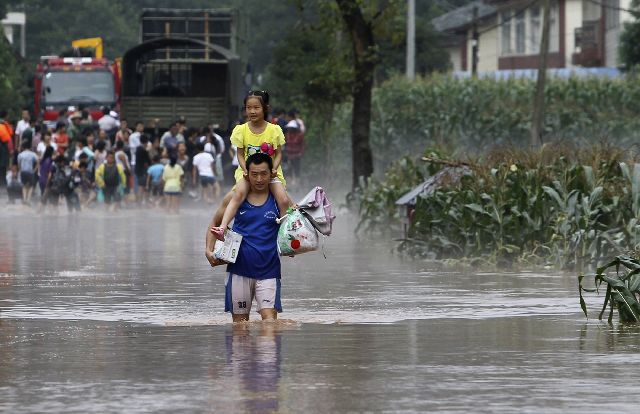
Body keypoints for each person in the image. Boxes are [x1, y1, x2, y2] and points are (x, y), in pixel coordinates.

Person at [205, 152, 286, 322]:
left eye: (264, 174)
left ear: (271, 173)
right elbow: (215, 221)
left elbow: (295, 222)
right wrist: (208, 250)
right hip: (239, 271)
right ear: (246, 174)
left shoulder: (279, 199)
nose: (259, 179)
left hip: (269, 270)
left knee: (270, 324)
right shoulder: (234, 198)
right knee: (240, 328)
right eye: (254, 174)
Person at [211, 90, 292, 241]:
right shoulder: (241, 130)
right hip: (248, 172)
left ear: (265, 108)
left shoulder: (274, 130)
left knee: (283, 200)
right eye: (249, 108)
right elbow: (240, 154)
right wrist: (245, 170)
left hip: (271, 172)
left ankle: (286, 236)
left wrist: (273, 168)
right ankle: (222, 227)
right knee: (238, 195)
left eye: (256, 108)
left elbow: (279, 153)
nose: (252, 111)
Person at [284, 111, 305, 186]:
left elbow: (302, 145)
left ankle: (297, 185)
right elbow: (285, 145)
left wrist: (301, 153)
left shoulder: (299, 136)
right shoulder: (287, 135)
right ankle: (289, 185)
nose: (290, 130)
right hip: (289, 155)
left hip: (296, 155)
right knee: (288, 170)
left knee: (296, 170)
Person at [134, 135, 151, 204]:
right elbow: (148, 161)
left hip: (137, 169)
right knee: (141, 187)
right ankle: (140, 202)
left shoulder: (138, 148)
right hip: (142, 170)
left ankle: (139, 202)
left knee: (140, 186)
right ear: (146, 142)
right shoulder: (143, 150)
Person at [0, 110, 14, 188]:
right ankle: (2, 186)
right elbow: (7, 139)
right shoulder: (4, 126)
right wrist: (11, 150)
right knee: (2, 168)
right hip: (3, 149)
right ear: (5, 116)